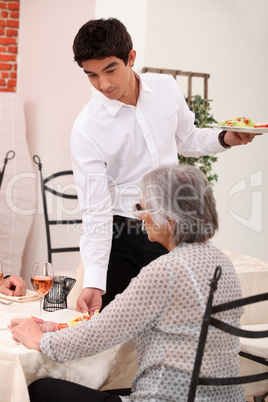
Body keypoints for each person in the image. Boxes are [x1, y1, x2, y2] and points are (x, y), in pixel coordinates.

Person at [71, 17, 259, 315]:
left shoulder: (165, 88)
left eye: (110, 70)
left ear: (130, 58)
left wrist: (225, 138)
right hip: (124, 236)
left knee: (181, 322)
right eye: (91, 76)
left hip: (174, 230)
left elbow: (187, 139)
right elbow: (95, 209)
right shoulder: (86, 129)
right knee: (117, 335)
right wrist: (94, 282)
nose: (103, 84)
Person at [10, 165, 245, 401]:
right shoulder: (222, 263)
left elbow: (101, 333)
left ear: (169, 220)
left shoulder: (166, 271)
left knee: (42, 391)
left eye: (143, 208)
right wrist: (53, 327)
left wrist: (41, 340)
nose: (140, 216)